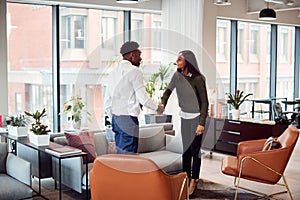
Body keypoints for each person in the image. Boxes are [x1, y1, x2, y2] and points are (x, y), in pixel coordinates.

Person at [160, 50, 209, 198]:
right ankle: (185, 178)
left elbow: (205, 103)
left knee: (195, 151)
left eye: (179, 59)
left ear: (187, 61)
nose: (177, 62)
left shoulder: (198, 79)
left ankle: (194, 180)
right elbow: (168, 91)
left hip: (196, 119)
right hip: (184, 117)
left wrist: (201, 123)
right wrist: (162, 104)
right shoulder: (177, 76)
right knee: (185, 150)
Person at [104, 41, 164, 154]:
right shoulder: (135, 71)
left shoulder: (112, 73)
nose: (140, 58)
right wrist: (158, 108)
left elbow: (107, 101)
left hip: (116, 119)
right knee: (129, 159)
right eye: (139, 55)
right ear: (132, 55)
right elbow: (143, 98)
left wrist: (114, 117)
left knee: (121, 156)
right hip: (128, 120)